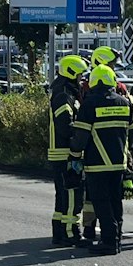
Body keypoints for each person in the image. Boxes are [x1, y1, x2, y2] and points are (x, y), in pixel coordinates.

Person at [72, 64, 133, 256]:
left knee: (101, 202)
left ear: (93, 82)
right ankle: (117, 239)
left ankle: (108, 241)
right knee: (116, 201)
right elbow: (132, 134)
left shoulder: (89, 104)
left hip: (97, 163)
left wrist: (73, 157)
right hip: (119, 163)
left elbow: (81, 137)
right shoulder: (125, 103)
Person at [48, 54, 88, 247]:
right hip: (65, 152)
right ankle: (71, 233)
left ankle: (59, 233)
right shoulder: (64, 94)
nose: (81, 78)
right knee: (73, 193)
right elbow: (65, 126)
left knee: (63, 196)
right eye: (79, 74)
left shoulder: (62, 90)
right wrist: (77, 143)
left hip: (60, 151)